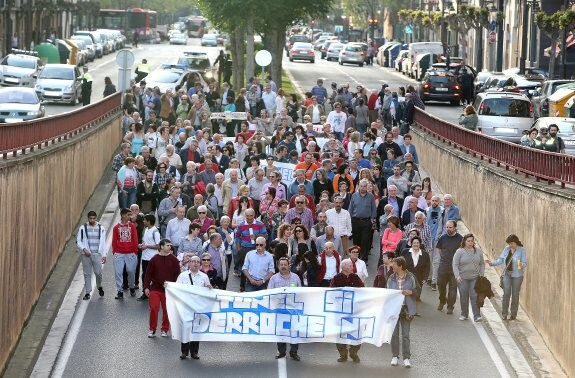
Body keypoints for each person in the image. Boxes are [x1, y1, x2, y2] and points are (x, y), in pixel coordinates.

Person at [176, 254, 212, 360]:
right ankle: (184, 351)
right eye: (193, 261)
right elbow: (176, 288)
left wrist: (209, 287)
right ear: (189, 263)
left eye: (197, 262)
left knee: (196, 329)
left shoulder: (204, 277)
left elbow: (208, 291)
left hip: (198, 307)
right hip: (186, 307)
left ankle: (194, 352)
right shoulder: (183, 276)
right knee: (186, 329)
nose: (195, 264)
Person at [143, 238, 180, 337]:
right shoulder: (154, 259)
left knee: (167, 310)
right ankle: (152, 329)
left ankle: (164, 329)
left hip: (168, 290)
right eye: (167, 245)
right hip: (155, 289)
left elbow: (178, 275)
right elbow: (148, 274)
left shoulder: (174, 260)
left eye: (170, 245)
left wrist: (173, 286)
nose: (170, 247)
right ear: (161, 247)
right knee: (154, 308)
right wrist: (146, 287)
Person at [486, 234, 528, 320]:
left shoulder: (521, 250)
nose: (510, 245)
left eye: (511, 243)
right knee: (506, 294)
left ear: (515, 242)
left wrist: (521, 264)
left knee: (515, 294)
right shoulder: (506, 249)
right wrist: (492, 263)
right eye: (509, 244)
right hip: (507, 274)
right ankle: (504, 314)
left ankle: (513, 314)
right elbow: (501, 259)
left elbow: (525, 263)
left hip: (517, 275)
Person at [267, 257, 302, 361]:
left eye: (285, 264)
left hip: (293, 309)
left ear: (288, 265)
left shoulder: (296, 277)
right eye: (281, 265)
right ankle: (281, 352)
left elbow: (301, 292)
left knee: (294, 331)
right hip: (280, 309)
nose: (283, 266)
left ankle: (294, 352)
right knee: (281, 331)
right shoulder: (273, 278)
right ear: (278, 266)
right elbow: (269, 292)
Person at [387, 256, 419, 368]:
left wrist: (411, 292)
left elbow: (418, 291)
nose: (392, 266)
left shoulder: (411, 277)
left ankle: (406, 358)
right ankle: (394, 356)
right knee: (394, 334)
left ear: (400, 266)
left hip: (406, 309)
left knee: (405, 335)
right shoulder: (391, 278)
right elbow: (387, 293)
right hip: (394, 309)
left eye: (394, 264)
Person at [330, 259, 364, 363]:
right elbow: (331, 293)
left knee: (357, 331)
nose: (352, 267)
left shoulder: (355, 277)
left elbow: (363, 290)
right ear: (343, 267)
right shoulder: (336, 278)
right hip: (340, 311)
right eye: (350, 265)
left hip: (354, 310)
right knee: (340, 333)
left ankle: (354, 352)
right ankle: (343, 354)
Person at [452, 233, 485, 322]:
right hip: (463, 278)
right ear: (465, 242)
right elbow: (455, 264)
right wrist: (457, 275)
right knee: (464, 296)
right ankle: (464, 314)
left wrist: (481, 274)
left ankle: (477, 316)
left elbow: (482, 263)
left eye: (472, 241)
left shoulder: (478, 251)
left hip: (475, 278)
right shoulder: (459, 251)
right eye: (468, 241)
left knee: (474, 296)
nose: (470, 243)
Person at [76, 211, 107, 300]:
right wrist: (84, 249)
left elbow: (103, 243)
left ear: (96, 218)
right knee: (87, 273)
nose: (92, 220)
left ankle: (99, 286)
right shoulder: (83, 228)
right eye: (90, 218)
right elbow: (78, 241)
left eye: (94, 218)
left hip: (97, 254)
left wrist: (104, 255)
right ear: (88, 218)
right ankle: (87, 292)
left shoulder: (101, 228)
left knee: (98, 272)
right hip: (86, 254)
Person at [436, 220, 463, 314]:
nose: (448, 229)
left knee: (453, 289)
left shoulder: (460, 239)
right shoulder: (442, 238)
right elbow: (439, 249)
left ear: (455, 227)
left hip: (455, 269)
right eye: (447, 227)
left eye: (450, 227)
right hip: (443, 266)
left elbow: (463, 252)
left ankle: (450, 306)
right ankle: (442, 300)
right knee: (440, 284)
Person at [112, 208, 139, 299]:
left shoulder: (132, 226)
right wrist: (115, 252)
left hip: (131, 253)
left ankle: (131, 286)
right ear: (123, 215)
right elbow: (114, 240)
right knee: (118, 272)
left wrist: (135, 252)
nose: (130, 216)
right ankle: (119, 291)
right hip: (119, 253)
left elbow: (135, 239)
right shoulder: (116, 227)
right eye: (128, 215)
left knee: (131, 271)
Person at [348, 179, 377, 263]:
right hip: (355, 221)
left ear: (367, 187)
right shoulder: (354, 195)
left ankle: (364, 259)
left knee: (365, 240)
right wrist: (349, 220)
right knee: (356, 240)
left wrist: (372, 219)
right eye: (361, 186)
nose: (363, 188)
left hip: (366, 221)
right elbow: (351, 208)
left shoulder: (370, 196)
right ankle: (356, 257)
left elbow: (373, 209)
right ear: (358, 186)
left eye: (364, 186)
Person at [137, 214, 161, 301]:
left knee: (153, 276)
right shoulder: (146, 229)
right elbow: (145, 241)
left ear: (149, 221)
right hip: (144, 258)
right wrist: (142, 245)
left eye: (145, 220)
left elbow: (158, 246)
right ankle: (145, 292)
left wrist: (147, 246)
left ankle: (154, 292)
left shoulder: (155, 232)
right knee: (144, 276)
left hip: (152, 258)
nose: (143, 222)